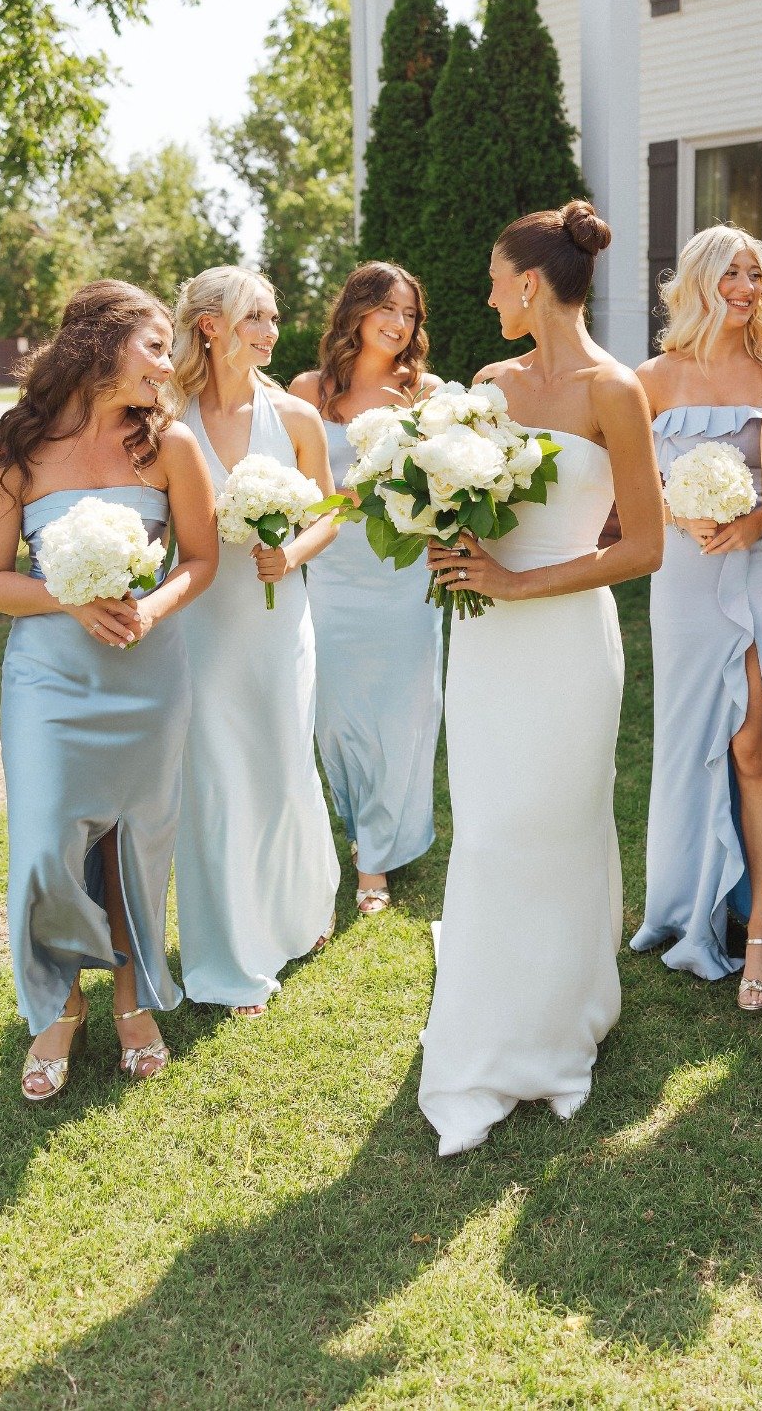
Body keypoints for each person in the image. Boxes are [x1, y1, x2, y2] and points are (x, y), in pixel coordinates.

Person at [418, 200, 664, 1155]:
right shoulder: (484, 385)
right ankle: (485, 1025)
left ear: (530, 283)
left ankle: (560, 1014)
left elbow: (643, 546)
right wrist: (447, 535)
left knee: (557, 820)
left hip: (563, 636)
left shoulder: (616, 392)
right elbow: (467, 506)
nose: (485, 295)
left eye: (492, 277)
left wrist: (524, 581)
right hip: (483, 638)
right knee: (485, 828)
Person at [0, 281, 217, 1100]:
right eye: (155, 345)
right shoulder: (12, 450)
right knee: (48, 842)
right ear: (100, 348)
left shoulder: (170, 447)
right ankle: (59, 1005)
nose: (169, 362)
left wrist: (147, 609)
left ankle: (132, 999)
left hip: (148, 674)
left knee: (136, 845)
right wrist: (66, 596)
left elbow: (201, 559)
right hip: (49, 677)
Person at [630, 224, 762, 1007]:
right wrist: (684, 515)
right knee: (689, 740)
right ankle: (688, 905)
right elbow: (634, 491)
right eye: (730, 275)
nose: (746, 289)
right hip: (685, 579)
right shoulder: (649, 379)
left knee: (755, 744)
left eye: (755, 276)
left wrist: (753, 524)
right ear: (696, 284)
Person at [169, 266, 341, 1016]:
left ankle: (298, 913)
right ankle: (230, 952)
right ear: (209, 326)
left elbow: (332, 510)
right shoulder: (167, 415)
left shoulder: (294, 417)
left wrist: (293, 553)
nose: (270, 333)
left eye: (272, 318)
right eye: (254, 320)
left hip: (276, 621)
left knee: (280, 762)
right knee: (214, 781)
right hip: (198, 624)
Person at [292, 263, 444, 915]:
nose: (399, 323)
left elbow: (448, 482)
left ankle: (376, 857)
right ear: (356, 310)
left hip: (403, 576)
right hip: (331, 574)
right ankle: (359, 825)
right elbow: (292, 487)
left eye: (410, 313)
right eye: (388, 308)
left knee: (403, 715)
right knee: (336, 717)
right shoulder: (308, 390)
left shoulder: (427, 392)